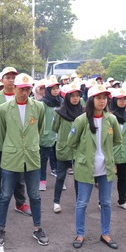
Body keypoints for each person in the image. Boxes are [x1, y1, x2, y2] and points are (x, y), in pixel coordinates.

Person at [0, 73, 49, 247]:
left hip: (31, 156)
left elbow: (39, 130)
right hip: (11, 156)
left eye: (27, 89)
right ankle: (1, 229)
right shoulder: (4, 108)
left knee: (35, 196)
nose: (24, 93)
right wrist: (13, 145)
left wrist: (30, 145)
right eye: (21, 89)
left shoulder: (38, 107)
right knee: (4, 196)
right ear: (14, 88)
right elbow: (2, 133)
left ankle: (37, 228)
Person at [67, 84, 122, 249]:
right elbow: (71, 142)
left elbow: (118, 141)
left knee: (106, 202)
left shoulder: (111, 119)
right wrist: (81, 156)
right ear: (91, 100)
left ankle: (105, 233)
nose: (102, 101)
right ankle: (80, 234)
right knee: (82, 203)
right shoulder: (81, 120)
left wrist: (113, 160)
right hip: (86, 167)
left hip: (106, 168)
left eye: (104, 98)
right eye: (98, 98)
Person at [0, 67, 31, 219]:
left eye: (13, 78)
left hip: (18, 145)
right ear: (1, 80)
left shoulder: (24, 98)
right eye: (8, 77)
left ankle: (20, 203)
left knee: (19, 176)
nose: (11, 80)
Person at [52, 83, 84, 213]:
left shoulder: (83, 112)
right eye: (73, 96)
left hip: (78, 149)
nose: (75, 98)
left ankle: (79, 202)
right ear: (67, 97)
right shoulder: (60, 112)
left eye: (77, 96)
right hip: (64, 148)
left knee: (78, 177)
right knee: (60, 176)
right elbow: (54, 127)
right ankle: (56, 202)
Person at [109, 88, 126, 211]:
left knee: (123, 178)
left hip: (125, 152)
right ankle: (103, 200)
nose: (122, 101)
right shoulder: (109, 116)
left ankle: (122, 200)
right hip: (111, 152)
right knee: (108, 178)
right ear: (114, 100)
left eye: (124, 99)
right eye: (119, 99)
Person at [38, 78, 61, 191]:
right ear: (48, 90)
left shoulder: (61, 101)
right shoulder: (43, 103)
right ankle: (42, 180)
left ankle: (60, 182)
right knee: (43, 159)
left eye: (57, 88)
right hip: (46, 135)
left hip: (59, 135)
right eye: (53, 89)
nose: (56, 91)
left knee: (59, 160)